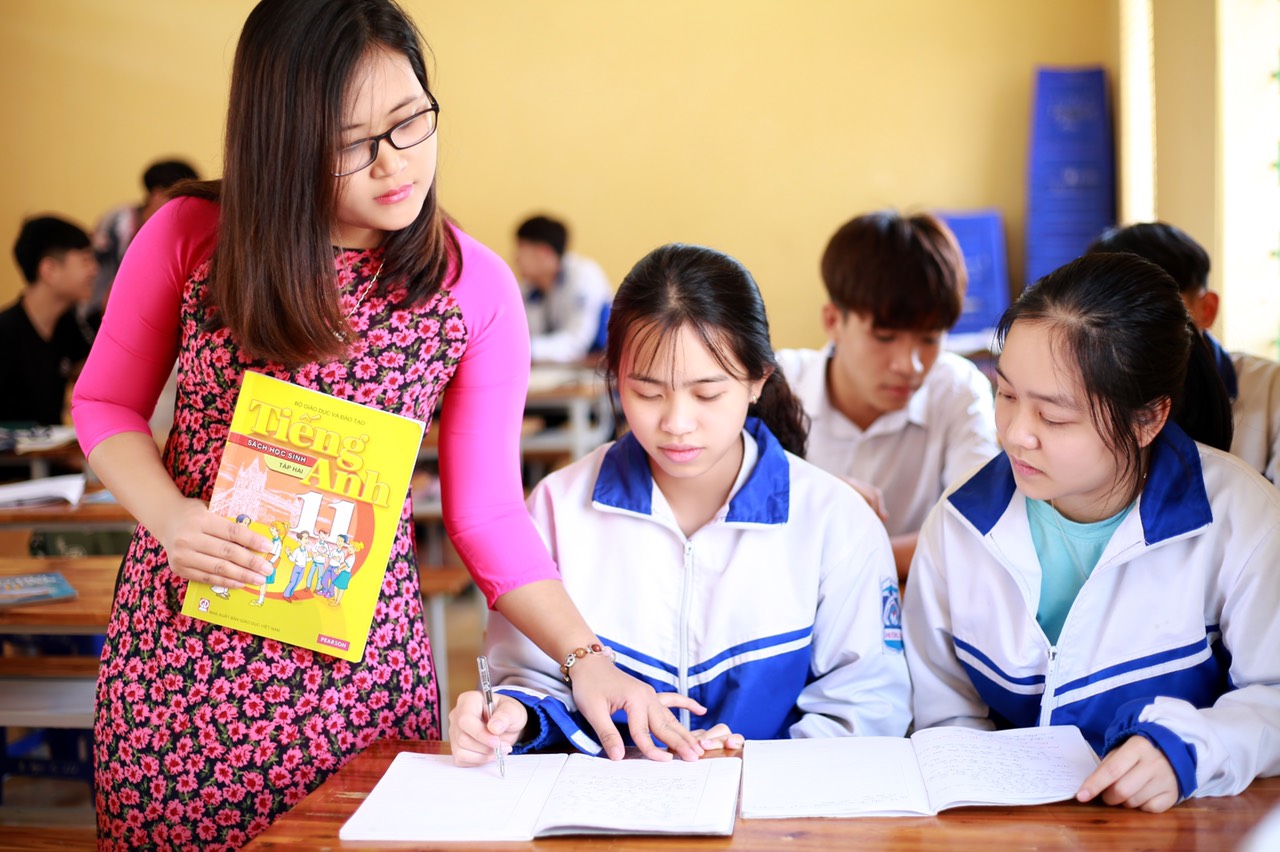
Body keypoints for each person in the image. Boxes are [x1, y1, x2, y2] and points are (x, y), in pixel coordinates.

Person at [71, 1, 700, 846]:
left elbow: (486, 513)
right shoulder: (191, 237)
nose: (395, 164)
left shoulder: (472, 287)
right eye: (351, 144)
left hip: (360, 679)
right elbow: (104, 403)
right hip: (181, 667)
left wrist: (587, 660)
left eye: (410, 122)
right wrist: (170, 516)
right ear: (280, 141)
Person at [449, 243, 910, 766]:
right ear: (615, 378)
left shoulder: (835, 521)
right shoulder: (558, 508)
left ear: (757, 380)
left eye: (707, 394)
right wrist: (511, 716)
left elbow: (868, 705)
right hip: (611, 811)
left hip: (778, 810)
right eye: (647, 393)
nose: (677, 423)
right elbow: (526, 677)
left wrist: (756, 767)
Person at [902, 253, 1280, 813]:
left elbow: (1273, 695)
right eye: (1006, 395)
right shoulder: (962, 523)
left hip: (1178, 824)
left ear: (1148, 419)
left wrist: (1194, 748)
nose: (1017, 434)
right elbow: (943, 710)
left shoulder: (1239, 519)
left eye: (1054, 417)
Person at [775, 211, 999, 580]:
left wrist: (853, 562)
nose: (910, 365)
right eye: (885, 337)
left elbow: (976, 533)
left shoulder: (959, 390)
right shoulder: (778, 385)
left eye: (930, 339)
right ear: (833, 321)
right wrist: (811, 495)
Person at [1087, 221, 1280, 485]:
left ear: (1207, 309)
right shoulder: (1082, 393)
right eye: (1110, 316)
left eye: (1155, 314)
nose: (1131, 332)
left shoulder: (1271, 389)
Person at [2, 216, 98, 425]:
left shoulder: (70, 327)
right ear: (49, 269)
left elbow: (99, 383)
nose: (94, 270)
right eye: (85, 260)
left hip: (54, 445)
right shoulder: (6, 332)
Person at [89, 158, 199, 314]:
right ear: (157, 194)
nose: (186, 207)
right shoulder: (119, 221)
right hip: (100, 311)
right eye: (182, 200)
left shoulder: (178, 229)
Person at [515, 214, 612, 363]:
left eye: (521, 248)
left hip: (595, 367)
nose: (516, 258)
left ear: (543, 253)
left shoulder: (584, 277)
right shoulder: (529, 288)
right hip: (559, 369)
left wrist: (522, 347)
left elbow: (576, 344)